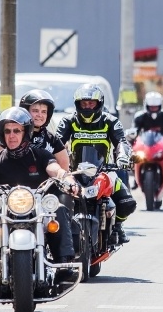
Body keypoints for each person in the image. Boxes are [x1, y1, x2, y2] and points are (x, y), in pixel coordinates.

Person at [0, 107, 77, 282]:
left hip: (37, 209)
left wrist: (66, 178)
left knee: (60, 210)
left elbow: (54, 168)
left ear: (26, 132)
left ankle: (63, 263)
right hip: (5, 210)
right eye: (8, 131)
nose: (12, 135)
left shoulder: (40, 155)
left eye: (16, 131)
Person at [57, 84, 136, 244]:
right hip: (74, 174)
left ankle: (117, 226)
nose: (87, 107)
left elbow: (122, 142)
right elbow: (56, 143)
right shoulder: (68, 121)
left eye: (91, 103)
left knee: (127, 203)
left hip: (104, 171)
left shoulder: (110, 121)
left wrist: (123, 157)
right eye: (83, 104)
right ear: (77, 104)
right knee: (53, 201)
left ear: (99, 103)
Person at [133, 91, 163, 191]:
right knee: (133, 156)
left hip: (162, 144)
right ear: (146, 106)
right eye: (151, 107)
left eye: (156, 107)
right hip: (145, 145)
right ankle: (135, 178)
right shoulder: (140, 116)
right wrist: (131, 136)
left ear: (160, 106)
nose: (153, 109)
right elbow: (134, 130)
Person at [15, 89, 69, 170]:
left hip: (45, 182)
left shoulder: (52, 139)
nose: (40, 115)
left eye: (44, 111)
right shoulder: (13, 133)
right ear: (25, 111)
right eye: (35, 111)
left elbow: (64, 168)